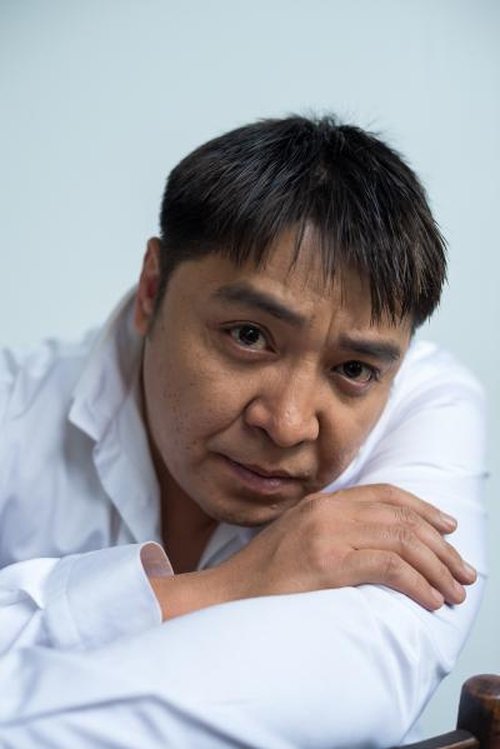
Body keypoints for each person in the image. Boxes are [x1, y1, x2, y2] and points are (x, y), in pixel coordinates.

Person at [0, 115, 486, 748]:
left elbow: (349, 688)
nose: (287, 425)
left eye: (353, 370)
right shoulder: (15, 406)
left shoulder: (426, 403)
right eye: (249, 336)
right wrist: (231, 586)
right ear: (152, 288)